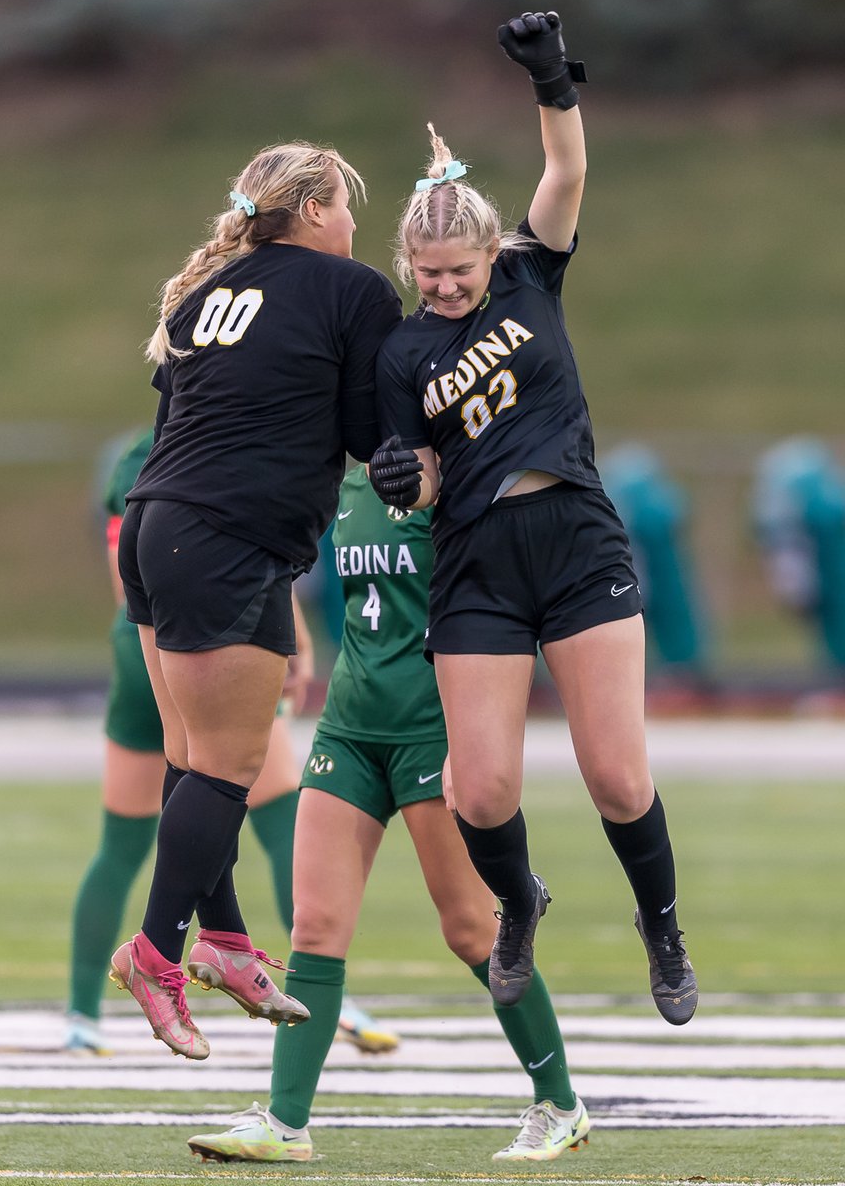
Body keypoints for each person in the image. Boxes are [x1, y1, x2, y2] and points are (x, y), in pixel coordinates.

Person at [368, 10, 698, 1025]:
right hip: (477, 563)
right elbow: (422, 482)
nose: (446, 285)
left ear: (486, 247)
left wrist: (553, 80)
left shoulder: (527, 272)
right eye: (428, 276)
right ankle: (519, 905)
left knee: (615, 774)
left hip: (574, 540)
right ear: (409, 266)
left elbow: (566, 174)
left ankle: (663, 926)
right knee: (481, 790)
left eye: (458, 269)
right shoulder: (402, 353)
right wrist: (397, 476)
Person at [186, 463, 590, 1164]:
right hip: (349, 725)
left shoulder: (461, 486)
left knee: (471, 930)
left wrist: (481, 739)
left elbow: (505, 610)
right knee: (315, 925)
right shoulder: (338, 486)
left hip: (433, 730)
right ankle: (285, 1124)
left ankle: (560, 1103)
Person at [109, 142, 403, 1060]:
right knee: (228, 768)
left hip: (161, 529)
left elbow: (173, 424)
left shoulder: (208, 292)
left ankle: (228, 943)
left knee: (196, 758)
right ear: (315, 208)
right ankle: (156, 956)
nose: (356, 223)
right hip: (226, 539)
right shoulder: (349, 288)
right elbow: (364, 432)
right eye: (347, 205)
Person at [65, 429, 399, 1056]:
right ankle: (319, 980)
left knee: (136, 833)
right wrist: (282, 633)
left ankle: (84, 1013)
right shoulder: (203, 444)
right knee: (265, 810)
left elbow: (130, 571)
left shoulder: (158, 446)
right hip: (203, 632)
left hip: (147, 637)